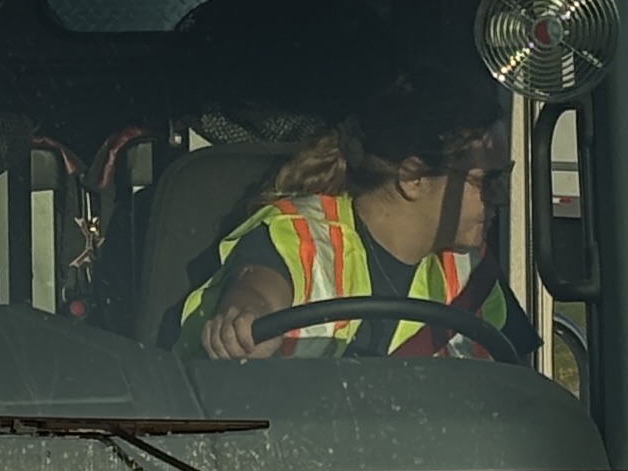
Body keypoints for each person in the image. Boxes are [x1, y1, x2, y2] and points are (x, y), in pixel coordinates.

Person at [182, 74, 518, 362]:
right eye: (486, 181)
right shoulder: (299, 236)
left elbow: (518, 389)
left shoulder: (474, 275)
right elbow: (258, 292)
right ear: (412, 178)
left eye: (503, 179)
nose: (500, 198)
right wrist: (244, 321)